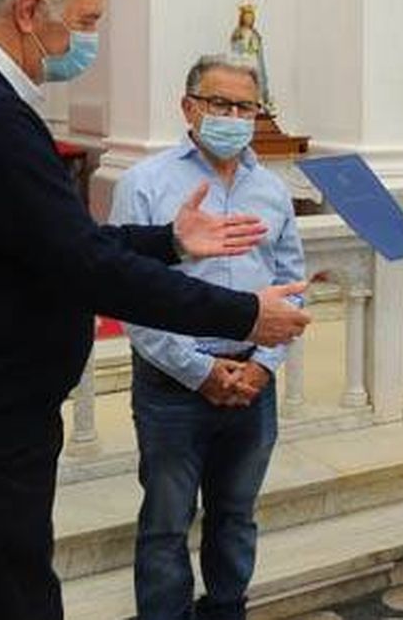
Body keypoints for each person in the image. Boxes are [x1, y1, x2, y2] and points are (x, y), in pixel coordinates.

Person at [0, 0, 311, 620]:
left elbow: (49, 242)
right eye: (89, 22)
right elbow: (83, 266)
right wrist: (243, 314)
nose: (91, 40)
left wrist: (167, 240)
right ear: (32, 10)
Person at [111, 54, 303, 620]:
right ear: (189, 107)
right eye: (221, 104)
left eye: (246, 106)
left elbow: (290, 286)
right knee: (167, 522)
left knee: (237, 515)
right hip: (174, 384)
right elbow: (132, 295)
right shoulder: (145, 183)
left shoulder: (270, 189)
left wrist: (263, 364)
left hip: (252, 380)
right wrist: (199, 371)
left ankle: (226, 609)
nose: (234, 116)